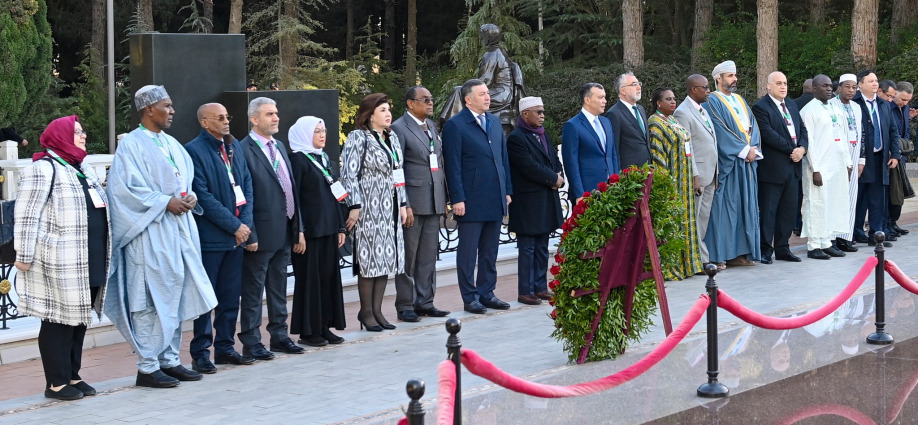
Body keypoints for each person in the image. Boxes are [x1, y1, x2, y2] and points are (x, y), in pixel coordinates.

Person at [105, 85, 216, 388]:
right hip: (148, 233)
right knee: (147, 300)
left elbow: (184, 182)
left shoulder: (172, 144)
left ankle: (169, 360)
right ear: (148, 109)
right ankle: (147, 365)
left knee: (174, 295)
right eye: (166, 106)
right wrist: (164, 202)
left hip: (178, 232)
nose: (172, 111)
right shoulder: (131, 145)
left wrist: (189, 197)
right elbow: (123, 192)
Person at [14, 116, 108, 400]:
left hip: (88, 256)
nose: (83, 135)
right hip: (57, 259)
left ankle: (73, 375)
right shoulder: (42, 169)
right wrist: (24, 255)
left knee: (78, 318)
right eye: (77, 132)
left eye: (82, 131)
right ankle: (55, 382)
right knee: (57, 320)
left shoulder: (83, 167)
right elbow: (26, 215)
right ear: (61, 136)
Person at [184, 103, 255, 373]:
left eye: (228, 116)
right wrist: (234, 226)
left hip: (236, 238)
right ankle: (201, 352)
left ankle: (225, 347)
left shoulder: (233, 146)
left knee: (229, 298)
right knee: (206, 299)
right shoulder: (194, 150)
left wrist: (244, 226)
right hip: (212, 239)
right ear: (205, 122)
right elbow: (202, 195)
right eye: (220, 118)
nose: (227, 122)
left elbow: (246, 185)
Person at [238, 97, 305, 358]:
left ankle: (279, 335)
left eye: (276, 113)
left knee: (278, 287)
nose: (276, 118)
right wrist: (250, 231)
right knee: (253, 291)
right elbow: (244, 194)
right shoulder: (243, 150)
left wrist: (298, 227)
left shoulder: (279, 146)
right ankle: (252, 341)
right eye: (269, 114)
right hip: (260, 234)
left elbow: (291, 189)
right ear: (254, 119)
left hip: (284, 230)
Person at [442, 79, 513, 314]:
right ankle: (469, 296)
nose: (487, 97)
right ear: (468, 99)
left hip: (495, 196)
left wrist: (507, 190)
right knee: (468, 251)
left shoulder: (493, 121)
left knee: (490, 249)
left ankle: (487, 292)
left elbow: (503, 160)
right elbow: (453, 166)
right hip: (471, 199)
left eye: (488, 93)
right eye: (482, 94)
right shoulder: (456, 125)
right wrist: (457, 198)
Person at [342, 93, 409, 330]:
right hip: (368, 210)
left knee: (384, 260)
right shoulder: (358, 138)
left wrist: (402, 204)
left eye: (389, 109)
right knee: (370, 261)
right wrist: (355, 206)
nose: (388, 113)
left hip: (389, 209)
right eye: (382, 110)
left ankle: (379, 311)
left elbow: (398, 174)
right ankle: (366, 313)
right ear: (369, 115)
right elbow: (349, 175)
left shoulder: (392, 138)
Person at [391, 86, 450, 322]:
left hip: (434, 199)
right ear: (410, 103)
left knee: (428, 256)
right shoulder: (398, 127)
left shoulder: (432, 126)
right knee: (408, 257)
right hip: (413, 203)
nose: (430, 103)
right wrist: (405, 203)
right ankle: (405, 304)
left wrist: (443, 197)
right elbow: (398, 168)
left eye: (431, 99)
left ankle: (425, 302)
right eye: (425, 99)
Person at [288, 116, 347, 346]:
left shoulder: (324, 159)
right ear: (304, 135)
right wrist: (298, 230)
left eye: (324, 130)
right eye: (317, 132)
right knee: (310, 282)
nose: (322, 135)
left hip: (328, 228)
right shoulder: (298, 161)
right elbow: (294, 199)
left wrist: (340, 225)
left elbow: (335, 193)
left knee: (327, 280)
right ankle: (308, 331)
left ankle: (324, 326)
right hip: (309, 232)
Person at [703, 60, 762, 267]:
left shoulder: (739, 99)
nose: (734, 79)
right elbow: (718, 130)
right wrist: (743, 150)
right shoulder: (711, 101)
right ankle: (719, 255)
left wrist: (753, 149)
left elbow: (753, 125)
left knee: (745, 208)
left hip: (746, 163)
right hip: (729, 164)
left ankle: (741, 253)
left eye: (734, 75)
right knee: (724, 210)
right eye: (729, 76)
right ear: (718, 79)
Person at [507, 96, 563, 304]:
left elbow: (554, 160)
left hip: (546, 197)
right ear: (525, 114)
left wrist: (557, 176)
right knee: (528, 247)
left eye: (543, 112)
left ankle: (540, 286)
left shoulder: (543, 135)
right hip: (528, 202)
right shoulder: (517, 138)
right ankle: (525, 290)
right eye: (538, 112)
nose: (542, 116)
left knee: (542, 245)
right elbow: (529, 166)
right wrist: (552, 178)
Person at [751, 71, 809, 264]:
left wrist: (802, 148)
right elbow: (768, 134)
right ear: (768, 86)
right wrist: (793, 149)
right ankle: (766, 250)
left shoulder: (791, 105)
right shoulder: (760, 107)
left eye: (785, 83)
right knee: (768, 211)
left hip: (793, 167)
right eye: (778, 83)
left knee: (788, 211)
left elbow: (802, 130)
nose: (783, 87)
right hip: (773, 169)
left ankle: (783, 248)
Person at [647, 88, 703, 279]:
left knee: (687, 222)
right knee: (673, 224)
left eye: (674, 99)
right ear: (658, 103)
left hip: (685, 182)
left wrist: (695, 177)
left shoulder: (673, 120)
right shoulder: (655, 123)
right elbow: (657, 157)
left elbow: (688, 149)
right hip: (672, 182)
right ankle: (672, 267)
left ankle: (690, 265)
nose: (673, 102)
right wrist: (665, 184)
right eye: (668, 99)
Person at [799, 74, 852, 259]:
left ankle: (827, 241)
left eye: (831, 86)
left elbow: (842, 137)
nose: (829, 89)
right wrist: (816, 169)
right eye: (824, 86)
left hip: (836, 165)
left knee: (833, 203)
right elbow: (810, 143)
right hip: (819, 167)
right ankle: (814, 245)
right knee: (817, 204)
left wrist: (848, 163)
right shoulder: (809, 111)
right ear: (814, 88)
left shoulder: (835, 108)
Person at [673, 75, 718, 267]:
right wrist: (694, 175)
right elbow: (687, 146)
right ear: (693, 89)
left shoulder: (703, 110)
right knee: (694, 218)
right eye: (705, 87)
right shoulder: (682, 113)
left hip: (710, 172)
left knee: (703, 218)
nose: (708, 91)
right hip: (698, 174)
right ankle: (696, 261)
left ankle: (701, 258)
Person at [852, 70, 900, 247]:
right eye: (870, 81)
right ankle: (856, 232)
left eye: (876, 81)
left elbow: (892, 131)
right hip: (862, 158)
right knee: (860, 197)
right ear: (861, 84)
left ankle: (876, 234)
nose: (875, 84)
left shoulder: (883, 104)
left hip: (881, 157)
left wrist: (895, 154)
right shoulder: (854, 103)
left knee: (878, 198)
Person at [562, 83, 618, 202]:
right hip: (588, 192)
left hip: (612, 191)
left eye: (605, 97)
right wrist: (579, 194)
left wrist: (616, 181)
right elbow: (571, 163)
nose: (605, 101)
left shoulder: (606, 122)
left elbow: (612, 155)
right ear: (587, 100)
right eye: (600, 97)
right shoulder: (572, 126)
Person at [830, 74, 864, 252]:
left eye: (854, 87)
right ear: (839, 87)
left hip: (854, 155)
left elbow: (862, 134)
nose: (851, 90)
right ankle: (833, 238)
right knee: (837, 199)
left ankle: (846, 237)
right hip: (837, 159)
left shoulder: (857, 107)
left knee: (851, 199)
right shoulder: (831, 106)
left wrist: (861, 160)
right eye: (847, 87)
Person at [606, 72, 650, 168]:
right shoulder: (614, 113)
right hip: (629, 174)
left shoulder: (641, 109)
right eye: (634, 84)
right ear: (623, 91)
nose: (639, 88)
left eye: (639, 84)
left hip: (647, 170)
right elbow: (614, 149)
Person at [888, 81, 914, 236]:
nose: (905, 103)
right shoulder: (887, 107)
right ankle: (887, 223)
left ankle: (893, 222)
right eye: (903, 99)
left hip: (901, 155)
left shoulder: (905, 108)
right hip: (891, 156)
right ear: (895, 92)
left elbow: (905, 131)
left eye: (908, 100)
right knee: (891, 192)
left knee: (899, 193)